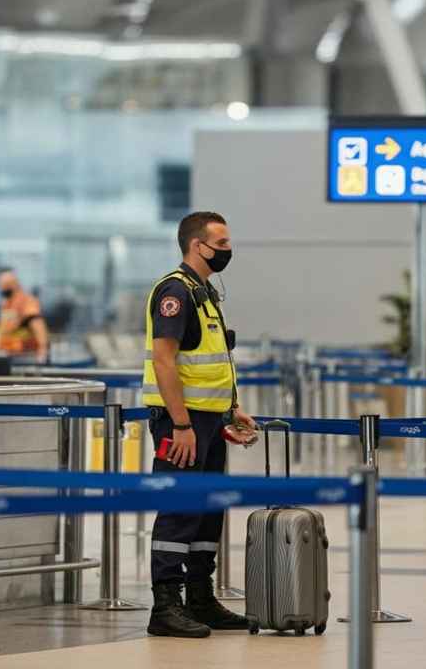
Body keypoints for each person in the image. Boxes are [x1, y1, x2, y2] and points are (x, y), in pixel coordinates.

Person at [143, 211, 258, 639]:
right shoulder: (175, 292)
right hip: (182, 425)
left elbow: (206, 365)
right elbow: (164, 360)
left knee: (208, 513)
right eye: (222, 243)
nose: (228, 251)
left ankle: (200, 598)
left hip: (208, 423)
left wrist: (230, 411)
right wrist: (181, 425)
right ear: (197, 245)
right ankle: (165, 606)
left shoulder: (204, 292)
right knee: (178, 511)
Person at [0, 271, 49, 362]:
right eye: (1, 285)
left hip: (25, 357)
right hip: (7, 355)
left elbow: (38, 326)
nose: (3, 289)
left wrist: (43, 352)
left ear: (15, 285)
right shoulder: (5, 304)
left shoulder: (28, 302)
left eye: (6, 285)